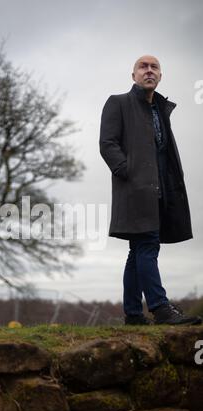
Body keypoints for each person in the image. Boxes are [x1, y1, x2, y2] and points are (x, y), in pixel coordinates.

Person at [99, 55, 201, 325]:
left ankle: (133, 314)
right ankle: (159, 307)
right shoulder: (118, 102)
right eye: (143, 67)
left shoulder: (160, 109)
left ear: (160, 76)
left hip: (160, 191)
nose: (149, 71)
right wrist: (127, 171)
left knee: (138, 251)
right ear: (133, 75)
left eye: (154, 67)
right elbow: (107, 143)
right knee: (148, 245)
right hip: (134, 191)